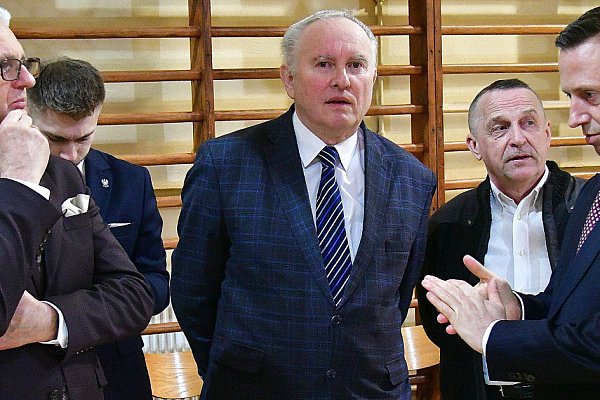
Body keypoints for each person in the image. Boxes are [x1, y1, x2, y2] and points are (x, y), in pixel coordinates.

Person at [171, 9, 436, 399]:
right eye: (324, 64)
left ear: (373, 78)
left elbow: (396, 298)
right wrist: (231, 372)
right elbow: (194, 291)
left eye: (356, 65)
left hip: (370, 390)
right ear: (289, 79)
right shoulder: (226, 164)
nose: (342, 79)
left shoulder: (412, 178)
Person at [421, 7, 600, 400]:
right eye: (500, 128)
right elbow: (566, 310)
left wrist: (495, 336)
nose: (575, 117)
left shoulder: (578, 198)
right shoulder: (594, 196)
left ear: (546, 134)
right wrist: (514, 307)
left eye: (591, 95)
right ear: (474, 146)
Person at [0, 7, 154, 400]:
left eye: (23, 64)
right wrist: (17, 184)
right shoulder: (28, 173)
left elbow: (136, 293)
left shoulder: (63, 176)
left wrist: (50, 320)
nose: (26, 79)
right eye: (6, 66)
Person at [27, 58, 170, 400]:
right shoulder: (10, 183)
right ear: (29, 114)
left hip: (117, 366)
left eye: (84, 138)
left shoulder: (131, 181)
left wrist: (74, 314)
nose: (70, 154)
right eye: (55, 138)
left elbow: (155, 285)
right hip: (30, 370)